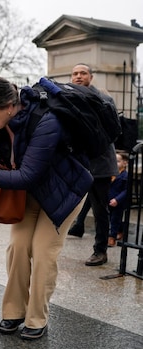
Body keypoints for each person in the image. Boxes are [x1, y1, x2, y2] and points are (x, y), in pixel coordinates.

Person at [0, 76, 91, 340]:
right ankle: (14, 312)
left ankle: (37, 318)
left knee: (43, 251)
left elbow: (29, 175)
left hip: (63, 191)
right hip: (29, 194)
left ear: (9, 106)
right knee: (17, 247)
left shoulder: (47, 121)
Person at [66, 63, 119, 266]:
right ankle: (77, 227)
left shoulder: (103, 99)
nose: (78, 76)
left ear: (91, 76)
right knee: (72, 200)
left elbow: (112, 131)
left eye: (83, 73)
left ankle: (100, 251)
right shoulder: (69, 98)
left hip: (100, 163)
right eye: (75, 73)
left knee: (100, 209)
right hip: (79, 161)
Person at [108, 151, 129, 247]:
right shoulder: (110, 173)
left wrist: (117, 199)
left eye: (117, 161)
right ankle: (121, 230)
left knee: (115, 218)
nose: (115, 163)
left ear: (125, 163)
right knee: (112, 218)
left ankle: (112, 237)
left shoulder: (125, 176)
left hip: (118, 202)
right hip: (109, 200)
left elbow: (126, 191)